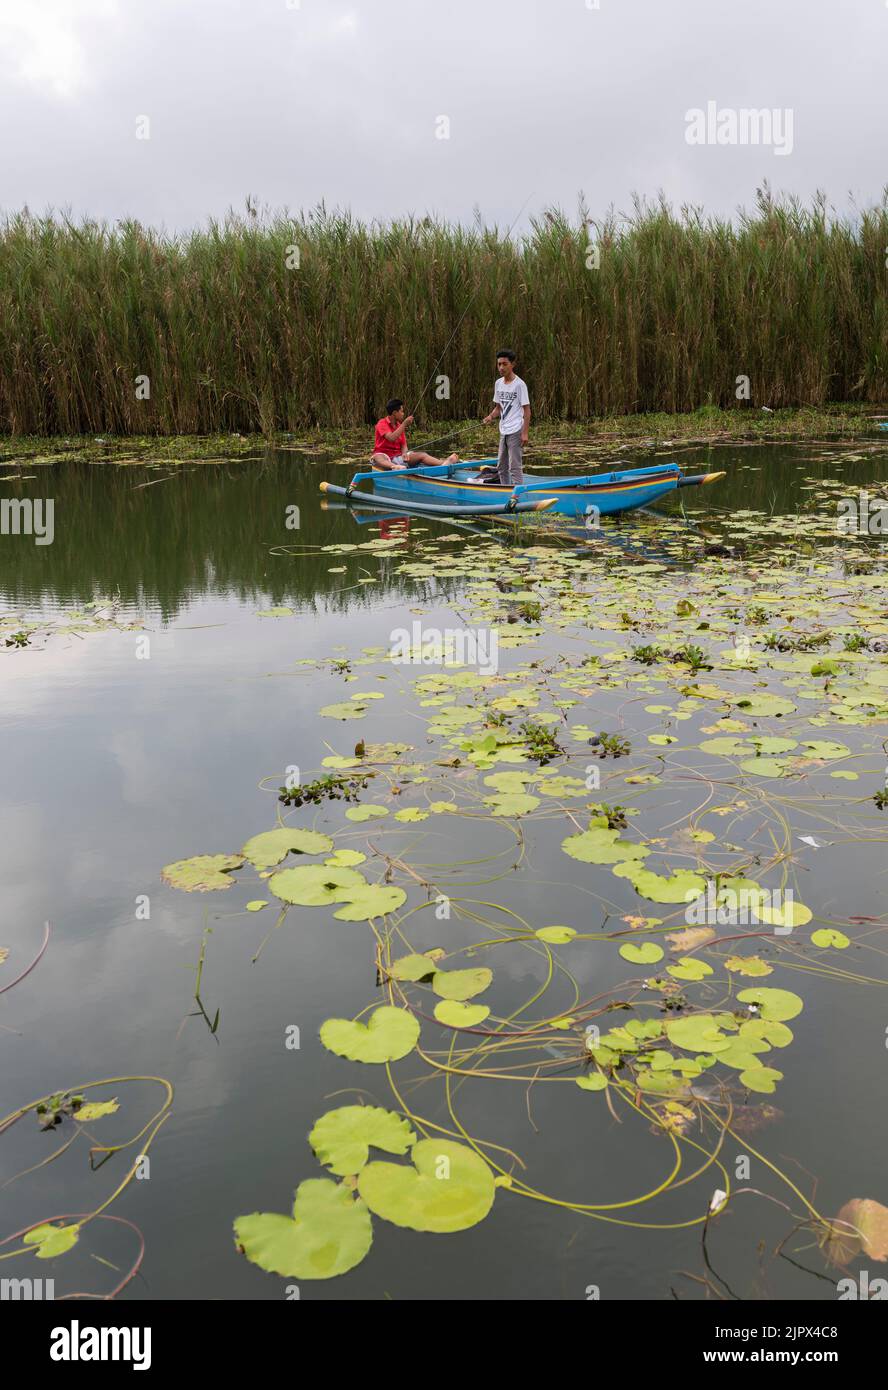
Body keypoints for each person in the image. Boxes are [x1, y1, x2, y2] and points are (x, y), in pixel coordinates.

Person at [482, 350, 530, 486]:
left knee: (514, 467)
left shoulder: (520, 385)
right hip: (503, 430)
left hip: (516, 430)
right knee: (501, 467)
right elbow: (498, 408)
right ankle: (505, 491)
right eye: (499, 364)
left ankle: (517, 496)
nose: (501, 367)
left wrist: (525, 433)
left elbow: (527, 411)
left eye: (505, 364)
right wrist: (490, 417)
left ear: (512, 364)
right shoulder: (498, 383)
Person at [371, 400, 459, 470]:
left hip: (398, 457)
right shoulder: (382, 423)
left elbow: (403, 444)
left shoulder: (399, 425)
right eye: (401, 411)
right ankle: (393, 467)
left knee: (422, 455)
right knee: (377, 457)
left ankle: (443, 464)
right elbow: (391, 438)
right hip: (385, 457)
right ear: (394, 413)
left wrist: (405, 453)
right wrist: (404, 424)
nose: (403, 414)